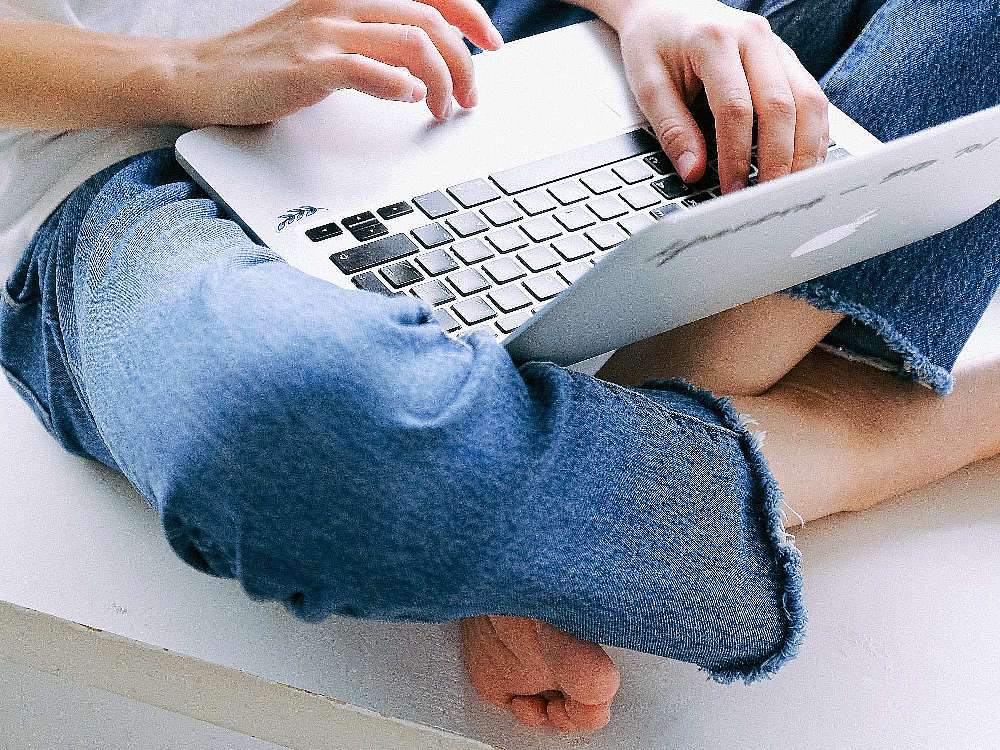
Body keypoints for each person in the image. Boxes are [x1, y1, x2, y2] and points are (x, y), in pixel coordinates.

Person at [1, 0, 997, 734]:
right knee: (288, 428)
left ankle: (574, 488)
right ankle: (874, 438)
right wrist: (188, 68)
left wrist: (646, 8)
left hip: (474, 61)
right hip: (117, 167)